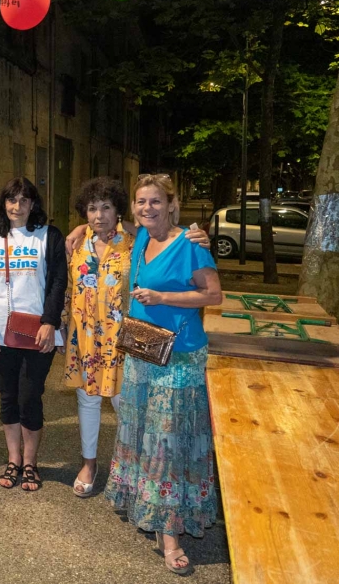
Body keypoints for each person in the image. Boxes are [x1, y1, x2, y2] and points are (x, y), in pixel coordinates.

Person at [104, 174, 222, 576]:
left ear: (172, 205)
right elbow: (102, 223)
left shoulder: (191, 245)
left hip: (182, 354)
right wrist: (80, 230)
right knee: (139, 428)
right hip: (142, 347)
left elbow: (213, 295)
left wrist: (161, 297)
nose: (147, 208)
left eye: (155, 201)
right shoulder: (141, 238)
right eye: (141, 202)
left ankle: (169, 534)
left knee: (167, 441)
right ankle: (144, 505)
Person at [64, 177, 210, 499]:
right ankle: (89, 464)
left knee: (128, 407)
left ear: (119, 211)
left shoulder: (134, 241)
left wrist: (192, 235)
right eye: (92, 209)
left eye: (106, 208)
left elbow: (162, 235)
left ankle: (130, 471)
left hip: (125, 339)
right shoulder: (77, 242)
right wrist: (76, 229)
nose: (99, 215)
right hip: (86, 339)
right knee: (87, 401)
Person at [0, 177, 66, 493]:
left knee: (30, 396)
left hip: (39, 332)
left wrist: (50, 321)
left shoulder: (49, 237)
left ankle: (30, 462)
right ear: (4, 204)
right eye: (11, 200)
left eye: (24, 200)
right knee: (8, 396)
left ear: (33, 204)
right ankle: (13, 460)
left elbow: (58, 283)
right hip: (1, 332)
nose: (17, 206)